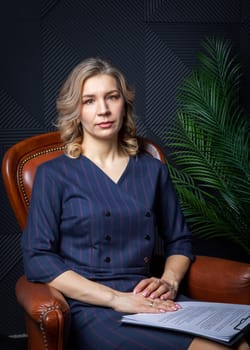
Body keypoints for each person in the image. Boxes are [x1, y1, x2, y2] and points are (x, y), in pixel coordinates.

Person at [22, 57, 249, 350]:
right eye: (89, 100)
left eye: (111, 97)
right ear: (75, 111)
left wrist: (168, 282)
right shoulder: (54, 174)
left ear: (124, 103)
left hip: (149, 297)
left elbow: (179, 241)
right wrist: (115, 299)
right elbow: (38, 258)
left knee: (240, 346)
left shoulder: (151, 169)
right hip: (92, 305)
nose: (103, 110)